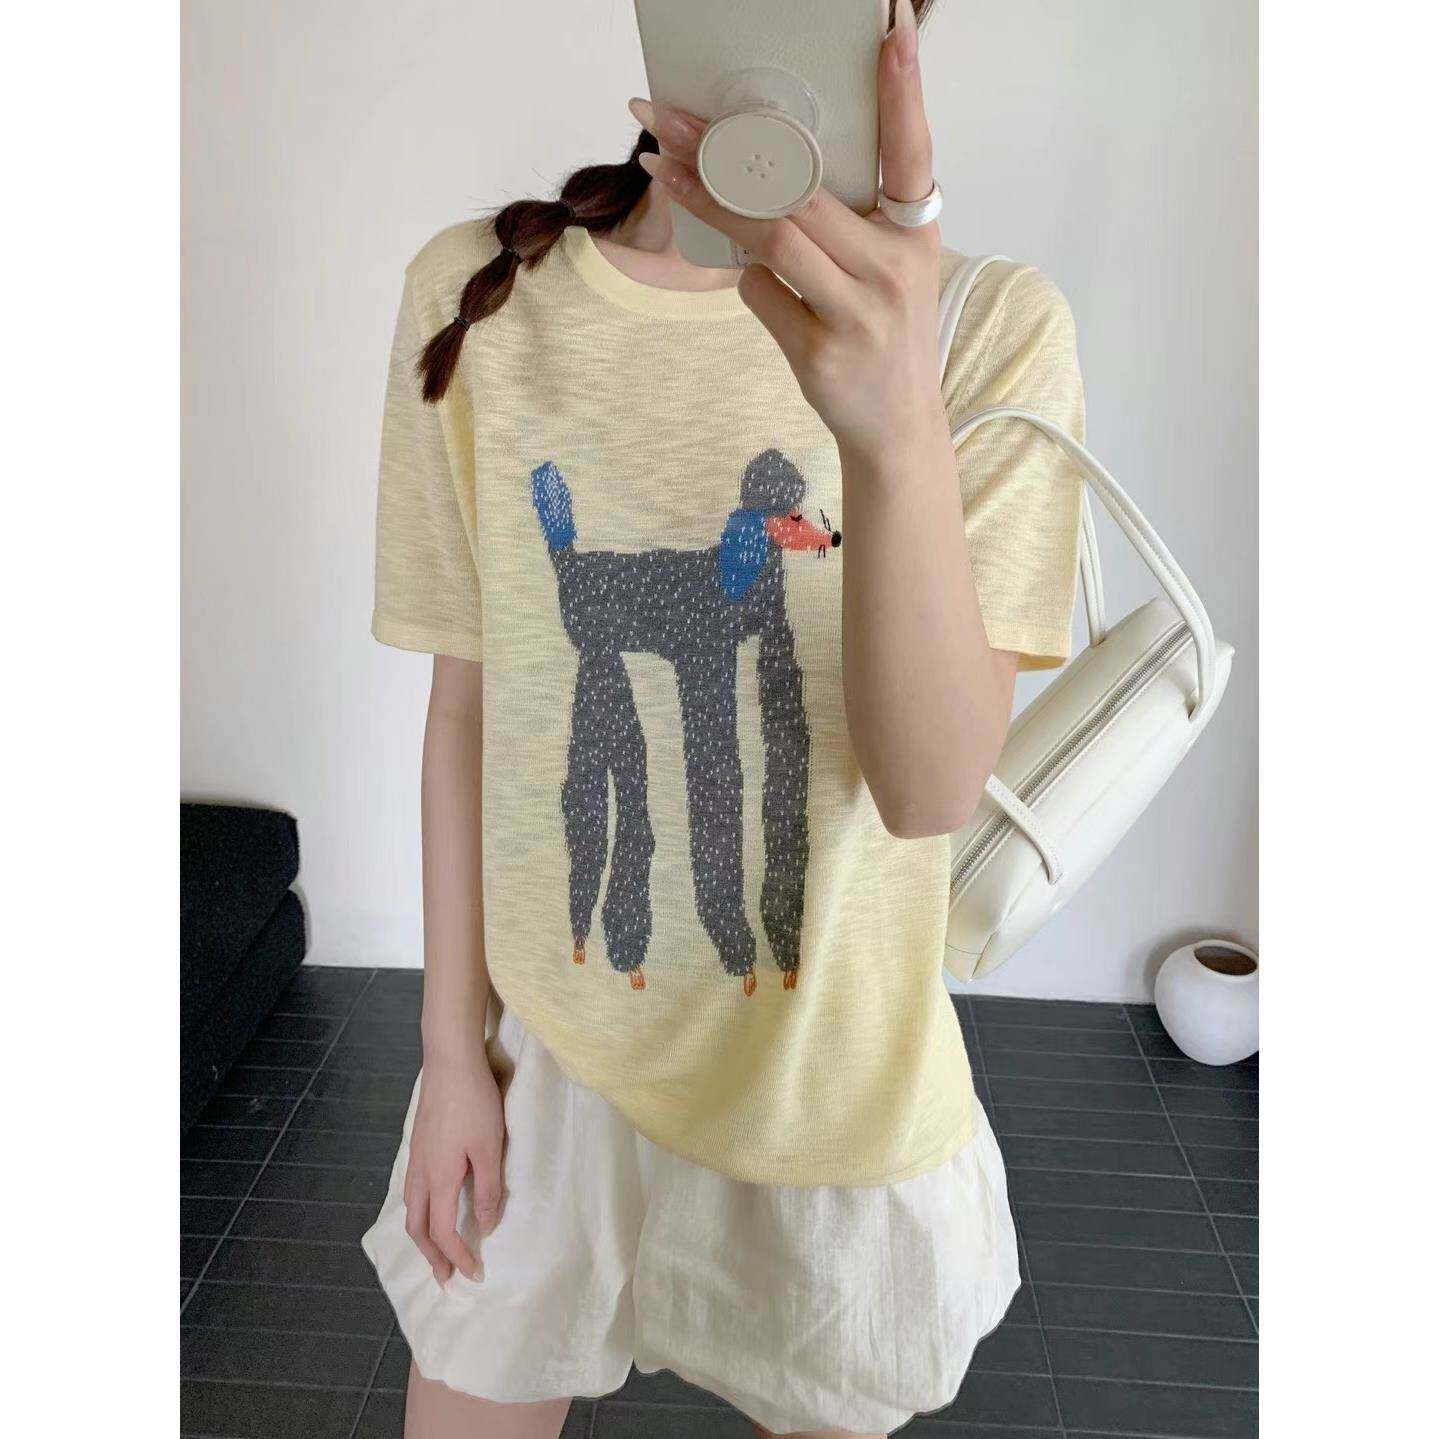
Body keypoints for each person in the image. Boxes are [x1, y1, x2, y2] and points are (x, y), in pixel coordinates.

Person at [361, 2, 1084, 1434]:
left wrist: (893, 425)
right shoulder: (477, 302)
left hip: (831, 1094)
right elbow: (469, 709)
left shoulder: (990, 333)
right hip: (548, 1067)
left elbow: (931, 789)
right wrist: (451, 1057)